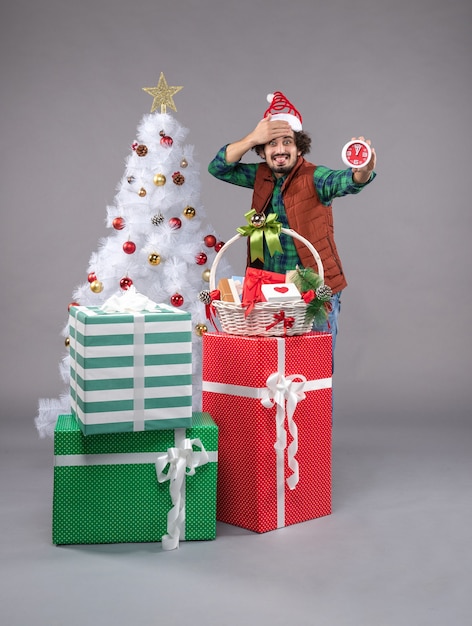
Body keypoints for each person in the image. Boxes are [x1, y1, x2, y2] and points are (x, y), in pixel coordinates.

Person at [208, 91, 377, 364]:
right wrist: (252, 137)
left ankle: (314, 409)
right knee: (270, 370)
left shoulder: (314, 177)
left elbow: (347, 181)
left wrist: (363, 170)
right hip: (267, 291)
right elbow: (219, 168)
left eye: (287, 142)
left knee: (314, 372)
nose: (280, 150)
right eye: (271, 144)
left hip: (313, 292)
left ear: (299, 147)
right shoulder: (260, 174)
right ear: (262, 151)